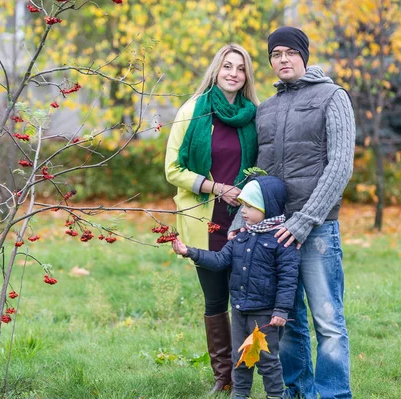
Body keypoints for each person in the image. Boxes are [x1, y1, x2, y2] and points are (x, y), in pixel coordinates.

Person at [239, 27, 356, 399]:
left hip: (316, 228)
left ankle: (334, 394)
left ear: (304, 55)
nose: (283, 60)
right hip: (274, 231)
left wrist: (305, 220)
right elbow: (259, 169)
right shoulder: (267, 109)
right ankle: (297, 390)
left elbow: (340, 165)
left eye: (290, 52)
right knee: (286, 320)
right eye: (275, 54)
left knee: (327, 319)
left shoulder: (332, 96)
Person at [164, 44, 260, 394]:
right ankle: (224, 377)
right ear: (216, 71)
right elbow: (173, 169)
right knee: (216, 299)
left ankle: (246, 373)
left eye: (240, 68)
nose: (233, 73)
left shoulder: (252, 114)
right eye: (227, 66)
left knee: (248, 299)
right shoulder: (194, 111)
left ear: (247, 75)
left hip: (246, 220)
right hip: (205, 220)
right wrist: (216, 187)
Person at [172, 176, 300, 399]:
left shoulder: (282, 241)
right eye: (243, 205)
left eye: (250, 206)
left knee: (268, 361)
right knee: (240, 358)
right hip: (240, 311)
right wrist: (190, 252)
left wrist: (281, 310)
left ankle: (275, 396)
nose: (243, 211)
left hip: (266, 315)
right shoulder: (240, 239)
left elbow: (288, 280)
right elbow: (220, 260)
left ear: (267, 207)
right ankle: (240, 394)